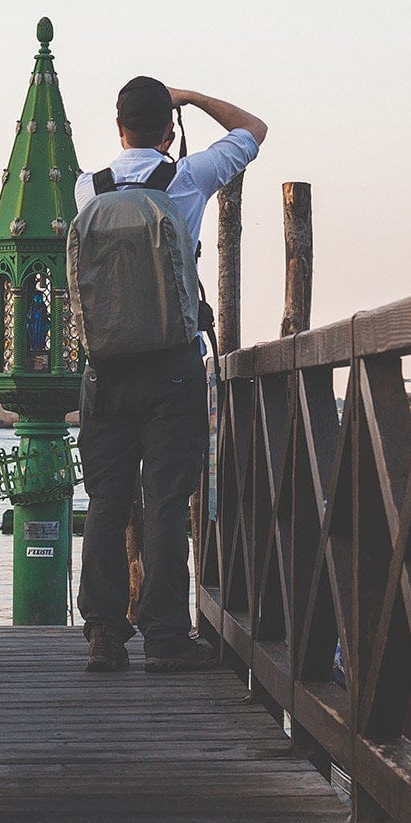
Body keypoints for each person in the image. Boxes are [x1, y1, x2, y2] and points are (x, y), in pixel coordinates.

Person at [74, 76, 266, 673]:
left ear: (117, 127)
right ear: (169, 131)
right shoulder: (185, 178)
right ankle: (164, 636)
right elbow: (253, 130)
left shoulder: (88, 188)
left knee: (106, 501)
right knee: (165, 501)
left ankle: (104, 634)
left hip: (104, 367)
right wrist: (194, 98)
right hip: (172, 366)